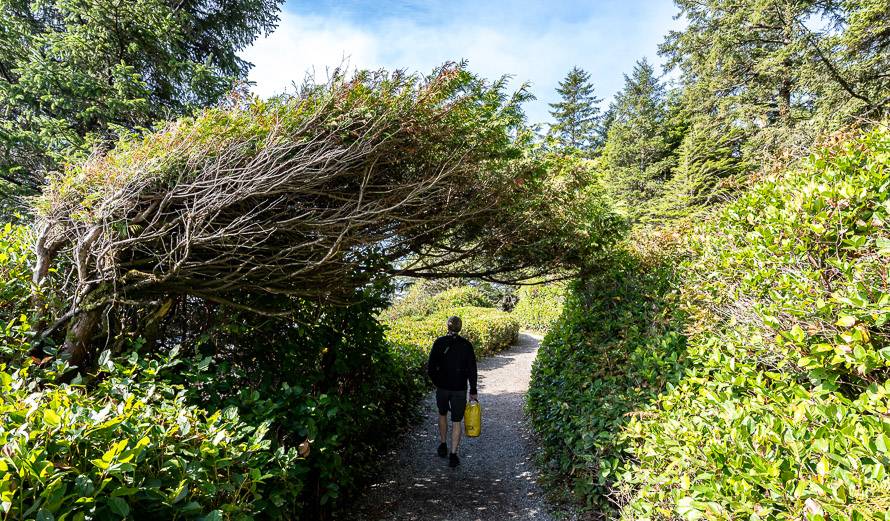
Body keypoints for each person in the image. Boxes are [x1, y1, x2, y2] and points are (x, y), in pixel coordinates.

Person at [427, 315, 478, 468]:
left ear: (447, 327)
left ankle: (443, 444)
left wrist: (437, 382)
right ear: (460, 327)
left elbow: (430, 368)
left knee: (442, 414)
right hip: (459, 389)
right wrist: (473, 390)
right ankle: (453, 454)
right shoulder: (466, 345)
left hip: (442, 388)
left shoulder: (439, 343)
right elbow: (472, 370)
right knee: (457, 421)